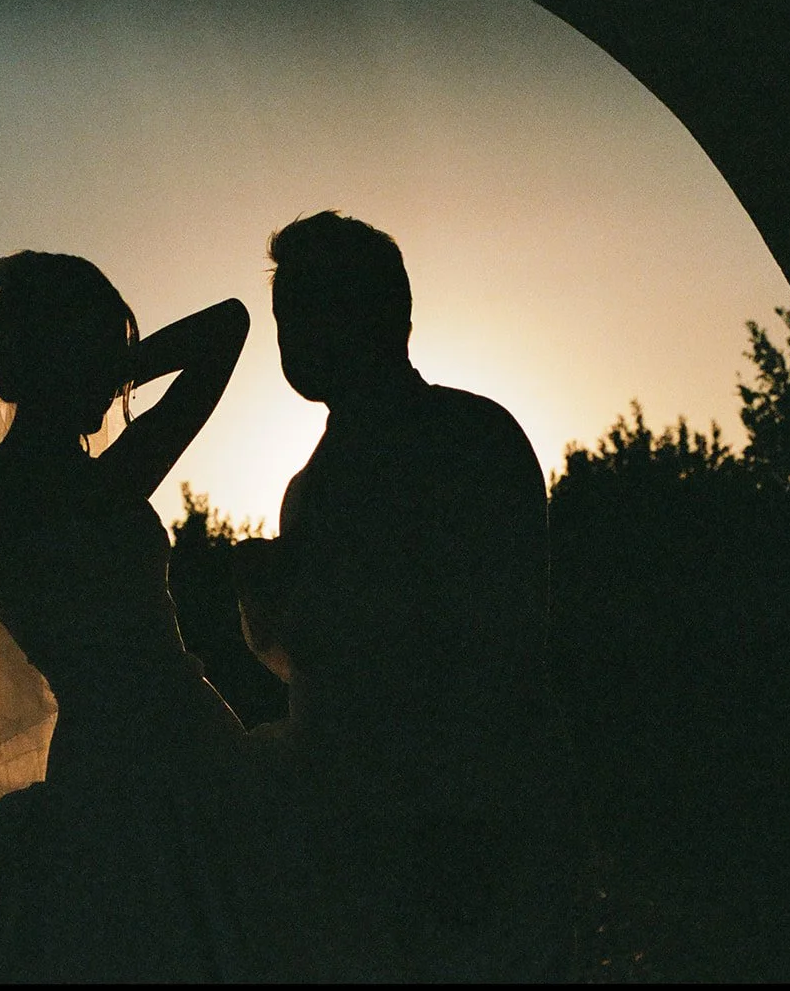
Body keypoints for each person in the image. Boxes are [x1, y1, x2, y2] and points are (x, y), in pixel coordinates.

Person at [0, 251, 277, 982]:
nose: (111, 388)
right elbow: (227, 329)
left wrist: (76, 359)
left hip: (130, 751)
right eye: (96, 353)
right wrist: (98, 364)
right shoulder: (97, 484)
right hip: (169, 745)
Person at [233, 210, 582, 981]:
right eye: (285, 313)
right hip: (354, 838)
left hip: (466, 829)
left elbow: (499, 639)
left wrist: (470, 819)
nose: (293, 334)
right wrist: (270, 603)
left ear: (382, 313)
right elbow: (326, 666)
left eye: (313, 307)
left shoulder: (467, 439)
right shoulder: (308, 486)